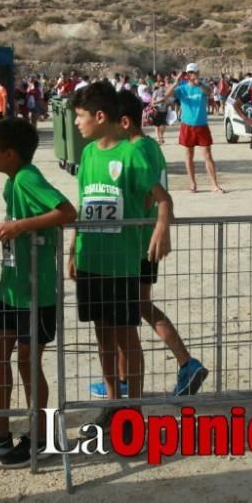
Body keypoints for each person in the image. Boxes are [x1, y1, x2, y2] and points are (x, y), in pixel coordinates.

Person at [0, 118, 77, 468]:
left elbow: (66, 211)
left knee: (27, 361)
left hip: (35, 293)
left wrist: (18, 227)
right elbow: (13, 217)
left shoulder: (28, 178)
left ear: (10, 153)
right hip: (10, 288)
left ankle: (41, 438)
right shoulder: (13, 183)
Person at [68, 81, 173, 437]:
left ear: (101, 116)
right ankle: (112, 406)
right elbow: (83, 204)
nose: (77, 124)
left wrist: (162, 227)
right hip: (90, 261)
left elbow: (162, 199)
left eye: (80, 117)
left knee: (126, 336)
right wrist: (72, 248)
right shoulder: (87, 155)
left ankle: (134, 413)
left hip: (122, 264)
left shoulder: (133, 153)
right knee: (103, 336)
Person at [88, 91, 207, 399]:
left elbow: (148, 195)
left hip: (137, 244)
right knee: (133, 309)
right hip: (140, 242)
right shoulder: (150, 145)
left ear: (123, 122)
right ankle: (130, 378)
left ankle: (183, 362)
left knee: (130, 312)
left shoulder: (136, 148)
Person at [164, 63, 224, 193]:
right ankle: (192, 184)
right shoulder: (182, 88)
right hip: (187, 125)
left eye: (193, 73)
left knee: (207, 155)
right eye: (189, 73)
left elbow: (210, 93)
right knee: (189, 155)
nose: (191, 75)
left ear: (198, 73)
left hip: (202, 125)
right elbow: (167, 95)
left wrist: (200, 84)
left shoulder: (202, 87)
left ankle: (214, 184)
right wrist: (175, 82)